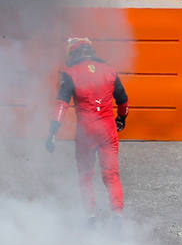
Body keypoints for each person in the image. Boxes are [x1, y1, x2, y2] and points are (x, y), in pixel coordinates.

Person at [45, 38, 129, 217]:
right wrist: (121, 118)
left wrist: (52, 131)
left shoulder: (70, 73)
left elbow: (61, 105)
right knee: (111, 174)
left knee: (85, 175)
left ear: (73, 54)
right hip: (108, 129)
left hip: (86, 133)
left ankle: (90, 217)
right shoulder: (110, 71)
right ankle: (118, 215)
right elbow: (123, 100)